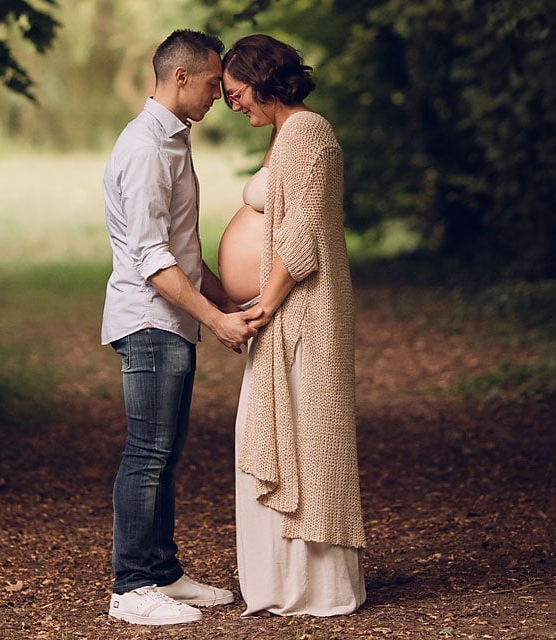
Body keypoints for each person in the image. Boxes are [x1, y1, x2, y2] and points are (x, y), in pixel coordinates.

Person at [101, 29, 259, 626]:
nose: (221, 94)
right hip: (149, 320)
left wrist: (234, 301)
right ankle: (131, 588)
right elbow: (150, 259)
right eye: (216, 83)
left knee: (165, 454)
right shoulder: (145, 148)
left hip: (172, 318)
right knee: (146, 453)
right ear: (183, 77)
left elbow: (184, 250)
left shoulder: (173, 140)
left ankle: (163, 572)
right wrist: (216, 319)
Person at [218, 34, 368, 617]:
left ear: (262, 78)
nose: (233, 105)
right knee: (277, 436)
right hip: (282, 316)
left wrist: (264, 305)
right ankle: (282, 582)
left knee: (308, 439)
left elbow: (303, 232)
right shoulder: (286, 134)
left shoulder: (309, 132)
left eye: (236, 93)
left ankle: (313, 586)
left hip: (301, 315)